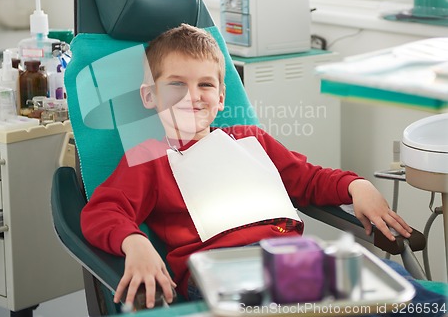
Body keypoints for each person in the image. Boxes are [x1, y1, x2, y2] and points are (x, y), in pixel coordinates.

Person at [81, 24, 413, 309]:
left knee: (405, 292)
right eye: (176, 84)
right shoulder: (150, 158)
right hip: (223, 271)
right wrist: (135, 243)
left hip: (292, 256)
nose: (192, 96)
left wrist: (357, 186)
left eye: (205, 85)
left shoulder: (251, 140)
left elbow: (309, 180)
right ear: (149, 96)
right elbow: (105, 211)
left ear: (222, 97)